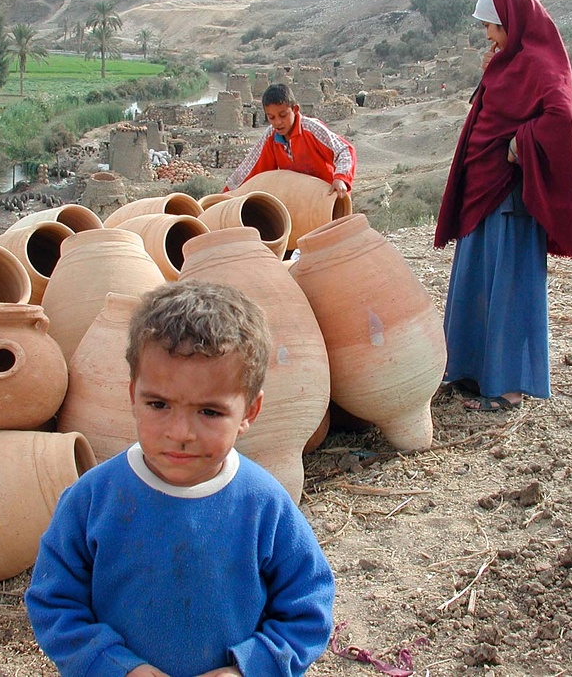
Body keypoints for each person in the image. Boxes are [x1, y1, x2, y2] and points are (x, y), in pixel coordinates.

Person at [25, 280, 336, 677]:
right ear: (133, 394)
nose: (180, 433)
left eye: (209, 412)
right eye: (158, 404)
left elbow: (308, 604)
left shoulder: (264, 505)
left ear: (249, 412)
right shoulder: (92, 499)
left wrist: (251, 667)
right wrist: (114, 666)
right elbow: (54, 603)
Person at [434, 0, 572, 413]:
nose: (488, 35)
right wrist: (490, 72)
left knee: (510, 288)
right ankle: (468, 371)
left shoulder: (543, 63)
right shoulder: (509, 60)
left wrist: (518, 143)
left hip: (512, 198)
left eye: (494, 26)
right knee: (475, 281)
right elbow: (492, 108)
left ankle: (508, 388)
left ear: (514, 21)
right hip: (482, 190)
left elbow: (560, 118)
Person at [224, 83, 356, 199]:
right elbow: (250, 168)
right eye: (271, 117)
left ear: (295, 109)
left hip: (330, 198)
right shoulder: (271, 136)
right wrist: (225, 195)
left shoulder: (312, 129)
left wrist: (340, 178)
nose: (278, 122)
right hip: (299, 202)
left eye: (283, 115)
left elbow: (345, 150)